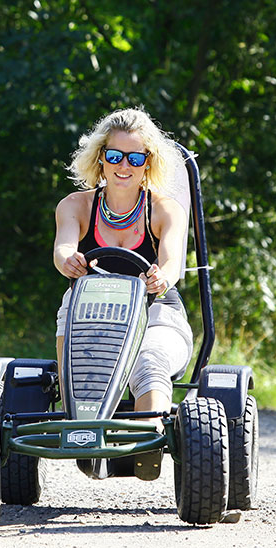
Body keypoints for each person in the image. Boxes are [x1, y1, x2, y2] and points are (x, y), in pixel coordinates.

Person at [52, 107, 193, 480]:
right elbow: (63, 249)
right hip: (91, 311)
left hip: (157, 311)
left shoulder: (165, 211)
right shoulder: (75, 206)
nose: (123, 166)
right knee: (76, 343)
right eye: (114, 156)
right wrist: (69, 260)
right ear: (101, 158)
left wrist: (162, 276)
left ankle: (147, 445)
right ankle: (83, 430)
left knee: (149, 362)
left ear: (149, 162)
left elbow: (173, 261)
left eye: (135, 157)